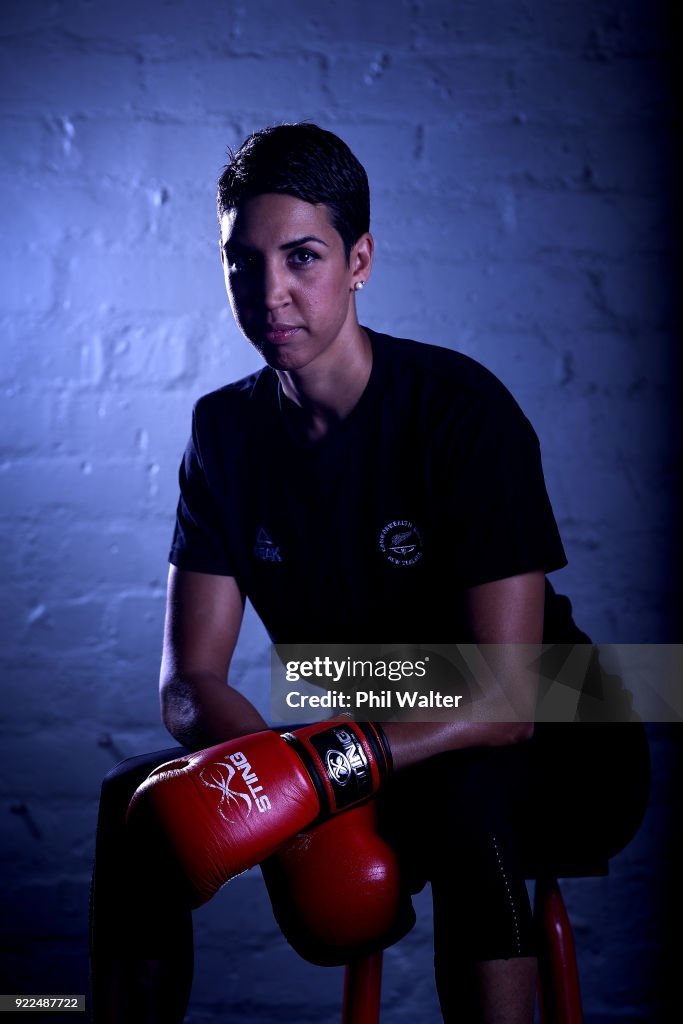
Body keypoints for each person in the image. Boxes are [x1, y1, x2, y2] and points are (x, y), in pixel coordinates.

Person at [89, 122, 650, 1023]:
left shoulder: (460, 413)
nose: (269, 293)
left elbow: (505, 700)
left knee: (467, 793)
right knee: (138, 803)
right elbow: (190, 682)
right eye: (242, 263)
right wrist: (275, 777)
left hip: (555, 733)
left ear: (359, 260)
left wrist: (326, 771)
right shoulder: (224, 434)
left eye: (302, 258)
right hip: (379, 732)